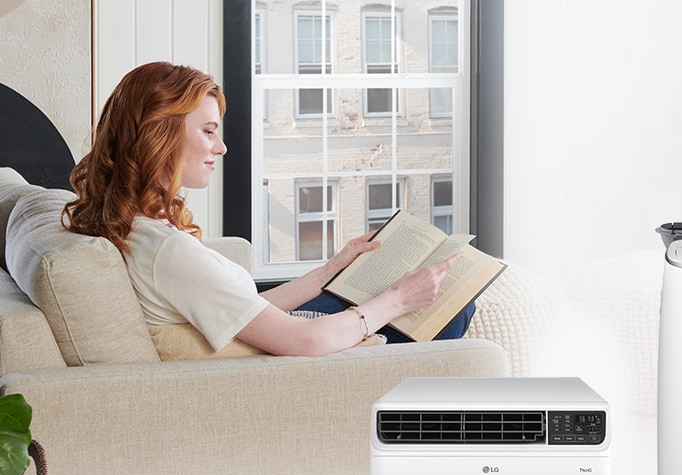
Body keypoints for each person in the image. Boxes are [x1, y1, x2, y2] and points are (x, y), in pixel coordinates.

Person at [63, 61, 474, 357]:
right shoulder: (168, 253)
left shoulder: (136, 227)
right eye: (208, 132)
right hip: (301, 358)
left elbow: (247, 310)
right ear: (159, 136)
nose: (221, 147)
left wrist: (331, 268)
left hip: (279, 336)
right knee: (455, 300)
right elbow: (304, 341)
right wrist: (397, 300)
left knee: (424, 286)